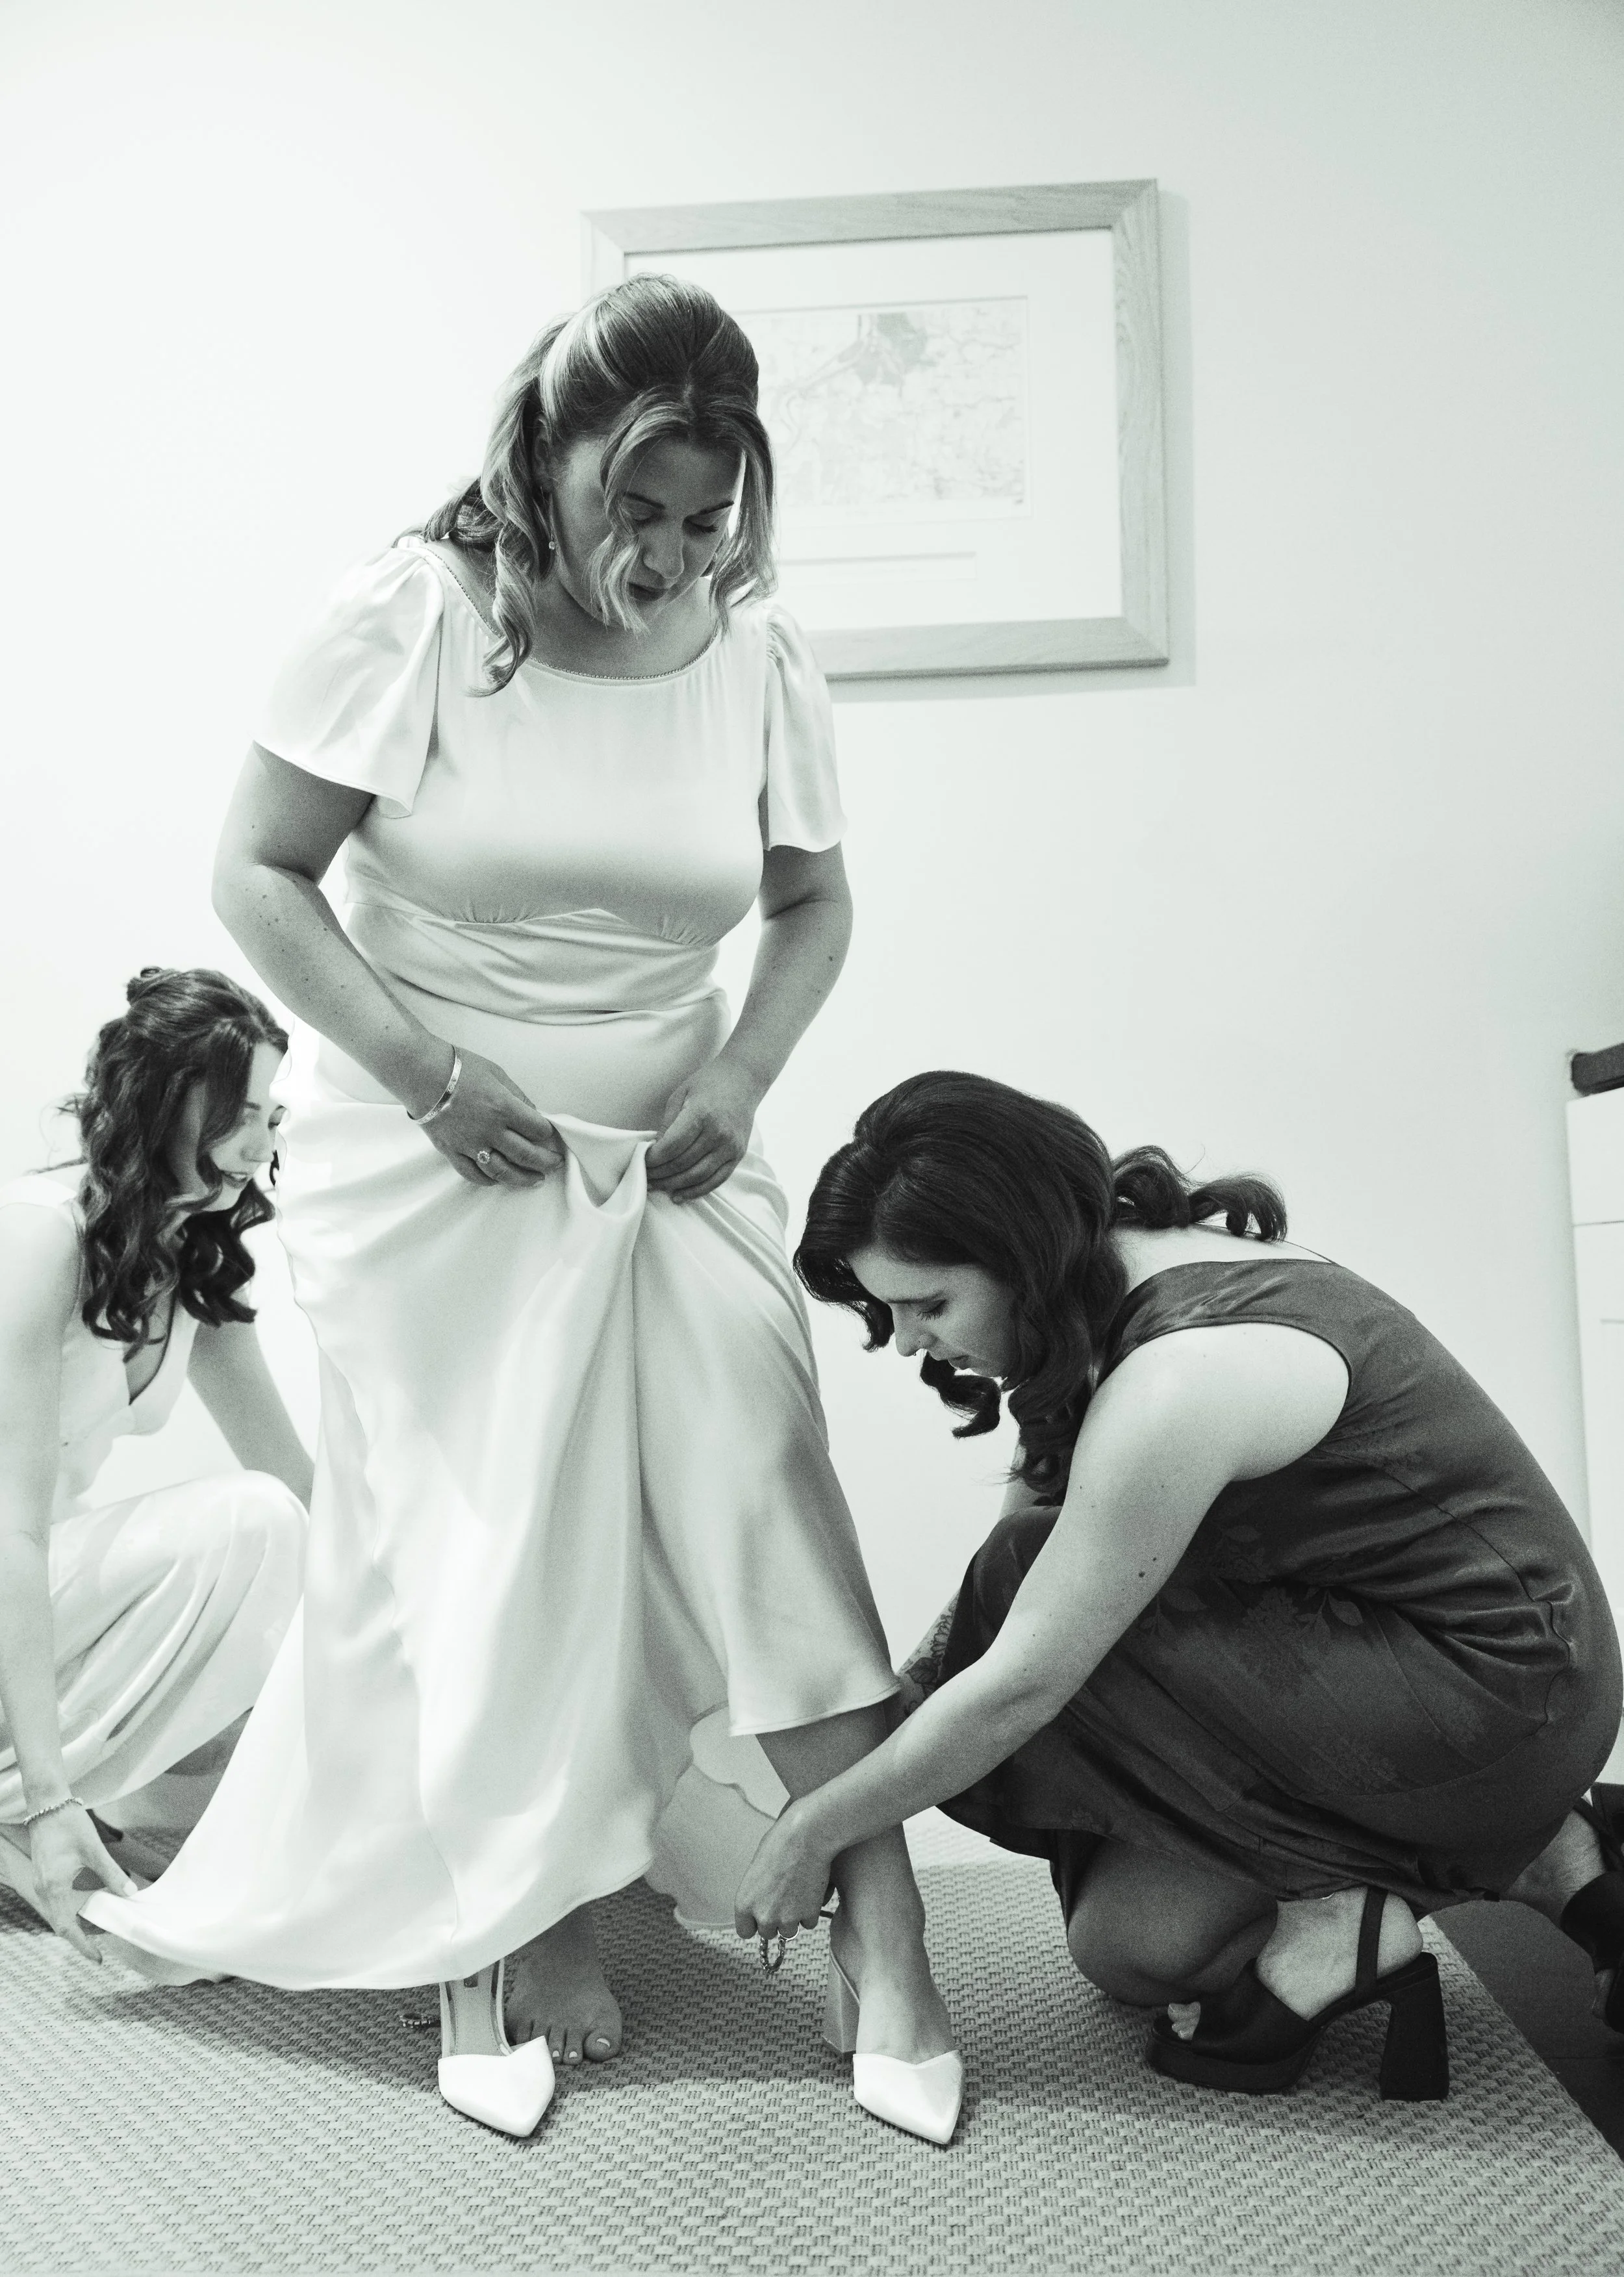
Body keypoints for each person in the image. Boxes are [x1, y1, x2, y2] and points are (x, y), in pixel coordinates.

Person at [86, 275, 957, 2146]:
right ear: (543, 468)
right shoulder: (411, 620)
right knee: (484, 1523)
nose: (662, 555)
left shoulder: (755, 656)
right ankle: (496, 1926)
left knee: (755, 1463)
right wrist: (422, 1070)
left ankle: (885, 1933)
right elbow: (257, 876)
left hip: (671, 1129)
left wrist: (735, 1078)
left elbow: (809, 906)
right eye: (630, 510)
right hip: (433, 1132)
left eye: (703, 518)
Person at [734, 1069, 1624, 2102]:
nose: (910, 1342)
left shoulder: (1175, 1381)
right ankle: (1510, 1863)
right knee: (1134, 1953)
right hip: (1376, 1665)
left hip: (1501, 1693)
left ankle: (1497, 1852)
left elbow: (1026, 1669)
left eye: (929, 1304)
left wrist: (817, 1823)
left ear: (1022, 1256)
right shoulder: (1096, 1285)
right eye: (888, 1313)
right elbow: (1020, 1592)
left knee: (1022, 1586)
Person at [0, 969, 309, 1965]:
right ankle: (35, 1801)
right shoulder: (41, 1234)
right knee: (250, 1526)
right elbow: (10, 1525)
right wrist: (52, 1798)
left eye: (270, 1112)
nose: (260, 1142)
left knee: (284, 1539)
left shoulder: (194, 1263)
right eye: (237, 1111)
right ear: (161, 1103)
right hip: (11, 1560)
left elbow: (303, 1489)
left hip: (29, 1587)